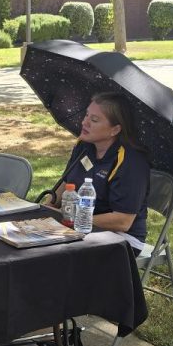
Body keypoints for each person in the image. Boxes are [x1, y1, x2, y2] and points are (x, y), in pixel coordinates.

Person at [44, 92, 151, 243]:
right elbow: (66, 183)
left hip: (121, 239)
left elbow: (123, 221)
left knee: (50, 251)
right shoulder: (84, 146)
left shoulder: (132, 161)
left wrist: (72, 219)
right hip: (76, 225)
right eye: (86, 115)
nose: (84, 123)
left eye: (94, 120)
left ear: (115, 130)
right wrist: (47, 207)